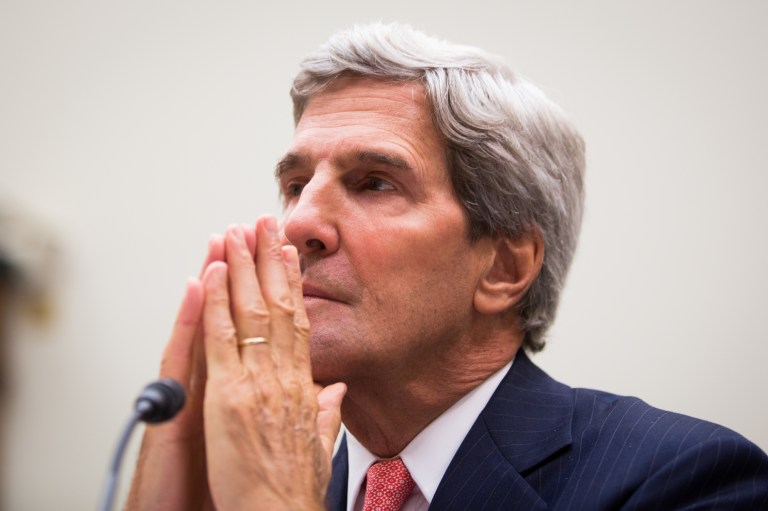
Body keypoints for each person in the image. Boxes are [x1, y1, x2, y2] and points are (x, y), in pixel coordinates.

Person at [126, 23, 768, 510]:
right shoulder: (242, 479)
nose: (297, 227)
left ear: (503, 268)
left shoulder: (685, 480)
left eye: (374, 183)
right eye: (296, 186)